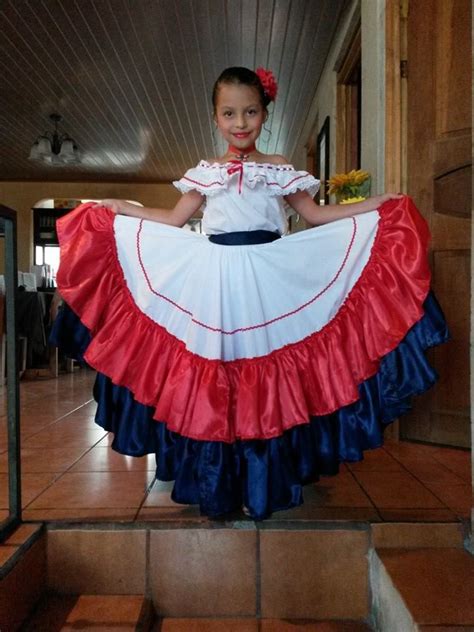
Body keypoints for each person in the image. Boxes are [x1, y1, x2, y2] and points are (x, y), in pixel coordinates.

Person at [53, 66, 448, 520]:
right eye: (229, 113)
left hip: (269, 278)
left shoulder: (279, 167)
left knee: (265, 376)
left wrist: (375, 206)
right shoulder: (204, 174)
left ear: (265, 113)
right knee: (218, 370)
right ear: (215, 118)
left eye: (250, 112)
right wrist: (122, 208)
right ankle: (218, 483)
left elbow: (317, 217)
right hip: (216, 281)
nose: (240, 123)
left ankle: (264, 482)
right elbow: (175, 221)